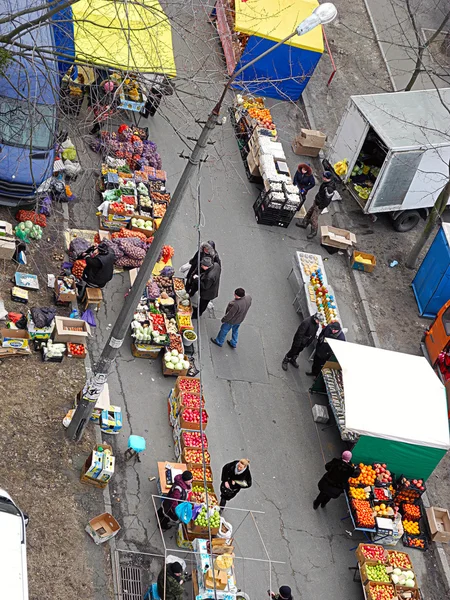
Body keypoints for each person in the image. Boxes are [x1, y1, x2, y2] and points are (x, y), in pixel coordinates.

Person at [296, 171, 336, 238]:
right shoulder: (326, 183)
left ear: (326, 178)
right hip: (317, 201)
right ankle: (304, 223)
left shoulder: (329, 189)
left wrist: (320, 206)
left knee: (313, 218)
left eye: (324, 176)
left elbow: (327, 200)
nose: (322, 177)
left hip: (319, 205)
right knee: (309, 212)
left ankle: (314, 232)